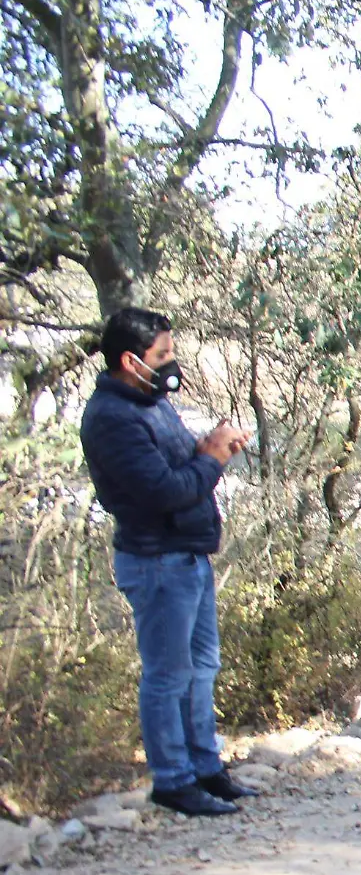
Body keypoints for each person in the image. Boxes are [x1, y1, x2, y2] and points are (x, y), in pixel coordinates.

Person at [80, 307, 255, 816]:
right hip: (156, 561)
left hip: (188, 557)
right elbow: (166, 490)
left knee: (202, 667)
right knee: (167, 674)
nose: (170, 364)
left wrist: (212, 447)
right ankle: (173, 781)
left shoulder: (152, 402)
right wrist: (214, 458)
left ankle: (206, 769)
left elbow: (184, 462)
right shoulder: (112, 418)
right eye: (163, 356)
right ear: (131, 360)